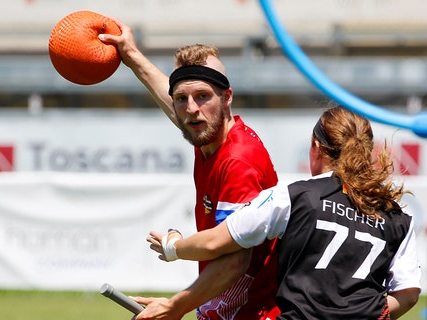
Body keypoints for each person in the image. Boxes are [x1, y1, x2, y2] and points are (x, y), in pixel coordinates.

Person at [150, 106, 422, 319]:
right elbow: (408, 293)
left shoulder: (294, 195)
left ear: (315, 146)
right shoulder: (398, 215)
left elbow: (216, 242)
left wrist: (174, 246)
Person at [101, 20, 280, 320]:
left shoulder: (238, 160)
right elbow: (177, 103)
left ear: (227, 98)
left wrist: (175, 305)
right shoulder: (208, 135)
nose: (191, 109)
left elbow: (235, 259)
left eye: (203, 96)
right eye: (182, 99)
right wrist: (130, 56)